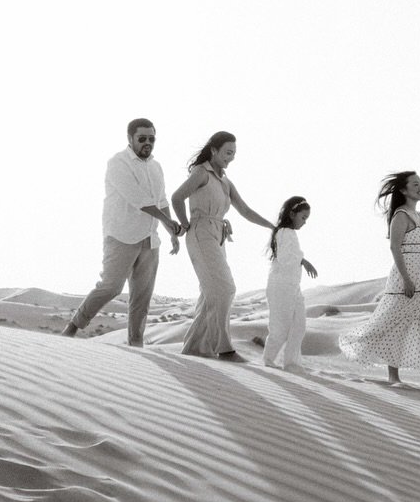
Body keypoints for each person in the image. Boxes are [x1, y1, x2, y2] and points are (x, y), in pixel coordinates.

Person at [62, 119, 182, 347]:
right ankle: (73, 327)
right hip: (121, 236)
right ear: (130, 139)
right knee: (111, 287)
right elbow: (138, 200)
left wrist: (171, 232)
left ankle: (136, 345)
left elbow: (162, 200)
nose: (148, 143)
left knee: (142, 298)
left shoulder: (156, 167)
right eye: (142, 138)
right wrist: (167, 220)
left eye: (152, 138)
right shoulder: (118, 163)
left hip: (150, 238)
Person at [338, 172, 420, 392]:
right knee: (394, 325)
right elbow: (395, 247)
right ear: (404, 190)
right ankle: (393, 375)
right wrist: (406, 279)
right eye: (415, 184)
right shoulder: (401, 216)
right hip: (406, 281)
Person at [172, 132, 276, 361]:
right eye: (228, 152)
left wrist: (272, 226)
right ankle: (225, 349)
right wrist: (186, 224)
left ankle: (194, 350)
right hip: (200, 233)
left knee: (211, 294)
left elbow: (245, 211)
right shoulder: (201, 173)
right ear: (214, 151)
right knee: (225, 288)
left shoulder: (226, 181)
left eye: (234, 154)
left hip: (217, 235)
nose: (231, 157)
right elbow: (177, 198)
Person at [264, 196, 318, 372]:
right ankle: (269, 360)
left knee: (299, 325)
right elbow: (285, 258)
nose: (304, 222)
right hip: (281, 286)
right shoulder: (284, 232)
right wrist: (303, 260)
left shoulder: (289, 233)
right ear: (292, 214)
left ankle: (292, 363)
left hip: (292, 286)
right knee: (280, 327)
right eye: (303, 217)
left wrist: (303, 260)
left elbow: (290, 255)